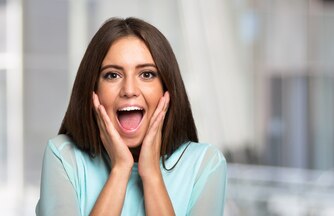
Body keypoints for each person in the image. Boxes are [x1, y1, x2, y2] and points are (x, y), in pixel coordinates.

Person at [36, 17, 227, 216]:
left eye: (146, 74)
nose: (129, 90)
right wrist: (120, 169)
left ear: (167, 89)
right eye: (112, 75)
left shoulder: (205, 165)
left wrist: (152, 176)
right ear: (93, 90)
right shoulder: (63, 157)